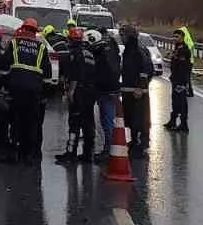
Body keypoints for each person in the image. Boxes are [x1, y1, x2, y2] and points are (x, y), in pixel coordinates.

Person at [5, 19, 48, 163]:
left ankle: (13, 152)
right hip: (34, 91)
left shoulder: (14, 43)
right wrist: (45, 94)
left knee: (15, 120)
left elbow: (5, 65)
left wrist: (4, 85)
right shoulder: (41, 47)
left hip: (16, 88)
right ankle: (28, 155)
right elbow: (47, 74)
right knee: (31, 122)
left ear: (23, 29)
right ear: (35, 32)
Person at [54, 26, 96, 164]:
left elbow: (75, 75)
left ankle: (70, 153)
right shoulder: (89, 53)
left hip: (79, 92)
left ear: (70, 40)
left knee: (74, 123)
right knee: (89, 123)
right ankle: (88, 154)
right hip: (91, 92)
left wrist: (71, 91)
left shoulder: (74, 54)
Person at [88, 30, 121, 164]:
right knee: (107, 119)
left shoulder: (101, 51)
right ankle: (110, 149)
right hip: (112, 88)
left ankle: (109, 150)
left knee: (107, 120)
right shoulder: (112, 48)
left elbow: (99, 71)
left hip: (106, 90)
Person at [119, 25, 152, 157]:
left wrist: (140, 86)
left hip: (138, 93)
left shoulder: (139, 51)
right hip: (128, 90)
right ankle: (134, 140)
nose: (121, 38)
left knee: (139, 119)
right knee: (131, 119)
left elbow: (146, 70)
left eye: (123, 35)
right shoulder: (128, 50)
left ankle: (141, 143)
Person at [165, 35, 193, 132]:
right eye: (173, 36)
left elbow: (183, 67)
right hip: (175, 79)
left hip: (180, 80)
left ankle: (184, 124)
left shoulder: (184, 50)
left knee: (181, 102)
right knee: (175, 101)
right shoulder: (177, 48)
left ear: (182, 37)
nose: (174, 38)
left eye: (176, 36)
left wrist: (181, 81)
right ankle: (173, 121)